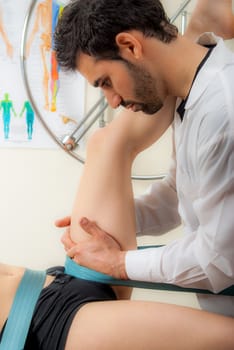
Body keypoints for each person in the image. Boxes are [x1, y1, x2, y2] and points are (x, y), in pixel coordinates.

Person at [54, 0, 234, 316]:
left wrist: (119, 263)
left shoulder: (222, 110)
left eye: (106, 81)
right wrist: (104, 224)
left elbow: (219, 260)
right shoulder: (193, 96)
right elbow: (179, 196)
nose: (112, 101)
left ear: (130, 46)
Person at [1, 108, 234, 350]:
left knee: (108, 142)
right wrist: (121, 262)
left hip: (52, 281)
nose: (113, 99)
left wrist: (121, 218)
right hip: (43, 332)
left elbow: (175, 197)